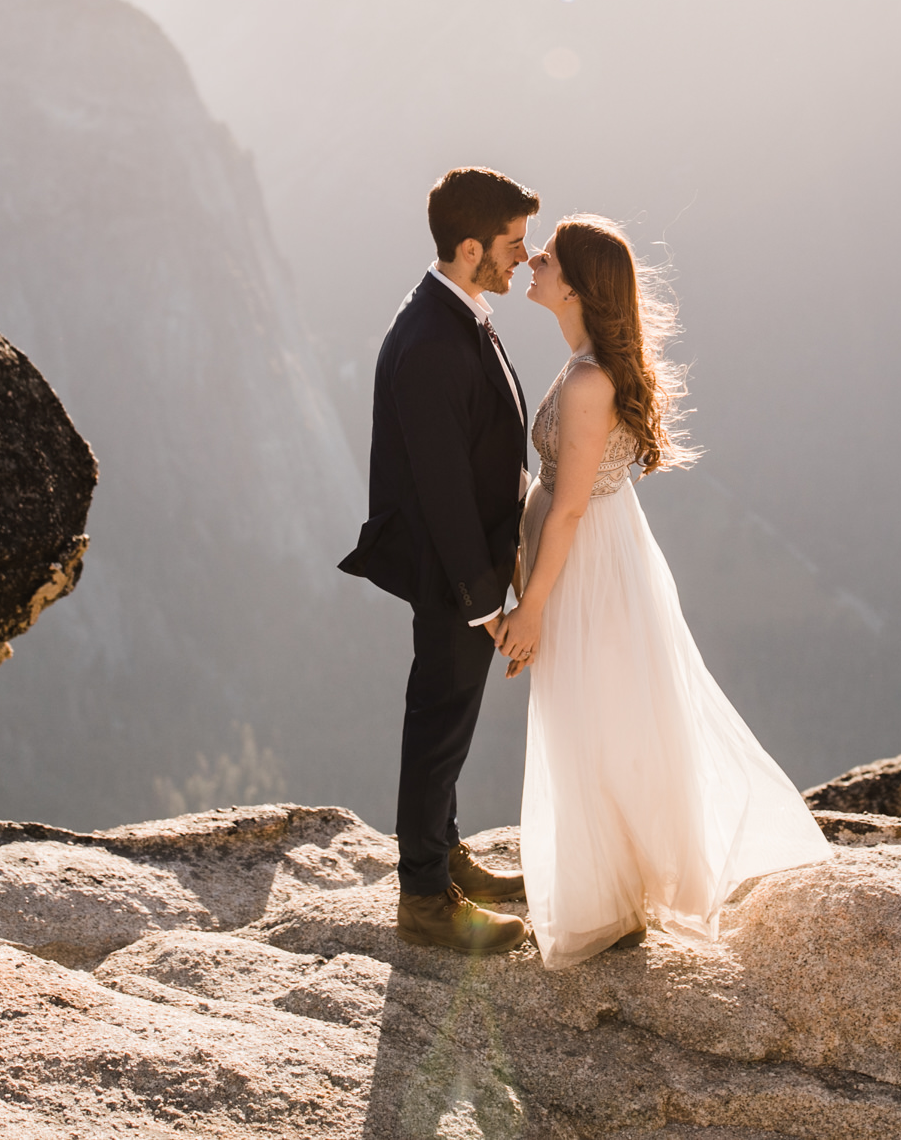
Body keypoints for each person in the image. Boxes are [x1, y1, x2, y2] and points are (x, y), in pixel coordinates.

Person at [496, 215, 831, 967]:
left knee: (595, 714)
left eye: (547, 255)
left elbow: (573, 502)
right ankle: (621, 883)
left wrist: (535, 605)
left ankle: (615, 895)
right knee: (604, 713)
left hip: (586, 568)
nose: (533, 259)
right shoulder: (582, 363)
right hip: (592, 557)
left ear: (576, 286)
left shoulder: (586, 380)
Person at [338, 167, 541, 954]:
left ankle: (445, 854)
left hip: (470, 569)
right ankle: (424, 896)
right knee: (438, 719)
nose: (525, 256)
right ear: (468, 247)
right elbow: (444, 490)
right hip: (454, 574)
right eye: (513, 244)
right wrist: (485, 601)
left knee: (449, 717)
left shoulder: (459, 311)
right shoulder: (430, 340)